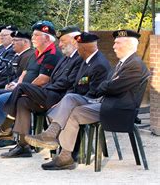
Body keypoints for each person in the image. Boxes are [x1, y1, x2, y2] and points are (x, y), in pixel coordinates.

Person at [25, 30, 148, 170]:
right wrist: (108, 85)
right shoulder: (123, 63)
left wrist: (107, 85)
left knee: (72, 106)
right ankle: (63, 153)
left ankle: (56, 142)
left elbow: (110, 87)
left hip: (118, 110)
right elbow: (108, 85)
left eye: (117, 43)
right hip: (106, 103)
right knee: (71, 104)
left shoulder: (135, 65)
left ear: (129, 45)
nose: (113, 46)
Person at [0, 26, 84, 157]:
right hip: (50, 93)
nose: (59, 44)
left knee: (21, 87)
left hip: (60, 97)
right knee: (22, 101)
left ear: (74, 41)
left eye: (63, 41)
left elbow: (67, 83)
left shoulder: (79, 58)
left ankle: (7, 126)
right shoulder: (66, 58)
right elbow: (54, 79)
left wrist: (42, 89)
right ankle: (23, 146)